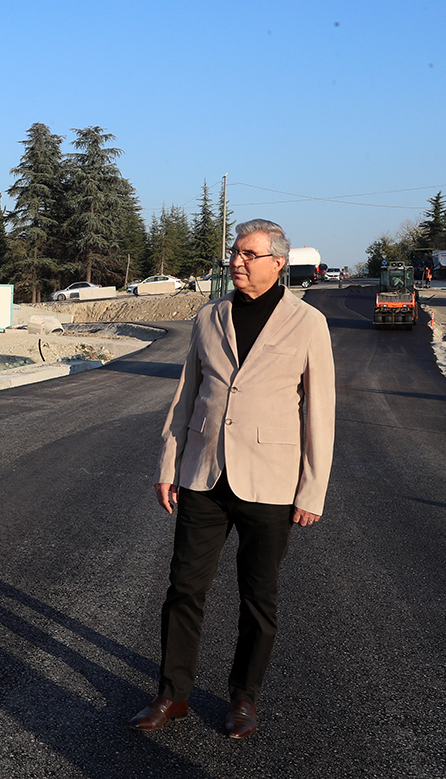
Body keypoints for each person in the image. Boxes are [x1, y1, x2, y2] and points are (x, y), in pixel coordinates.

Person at [130, 219, 335, 741]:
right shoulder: (209, 317)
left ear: (278, 263)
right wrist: (167, 465)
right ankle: (172, 694)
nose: (236, 262)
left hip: (270, 481)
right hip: (203, 474)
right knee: (183, 589)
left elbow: (321, 413)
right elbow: (186, 396)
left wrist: (312, 490)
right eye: (234, 254)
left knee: (257, 598)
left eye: (248, 254)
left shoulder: (307, 323)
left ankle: (244, 699)